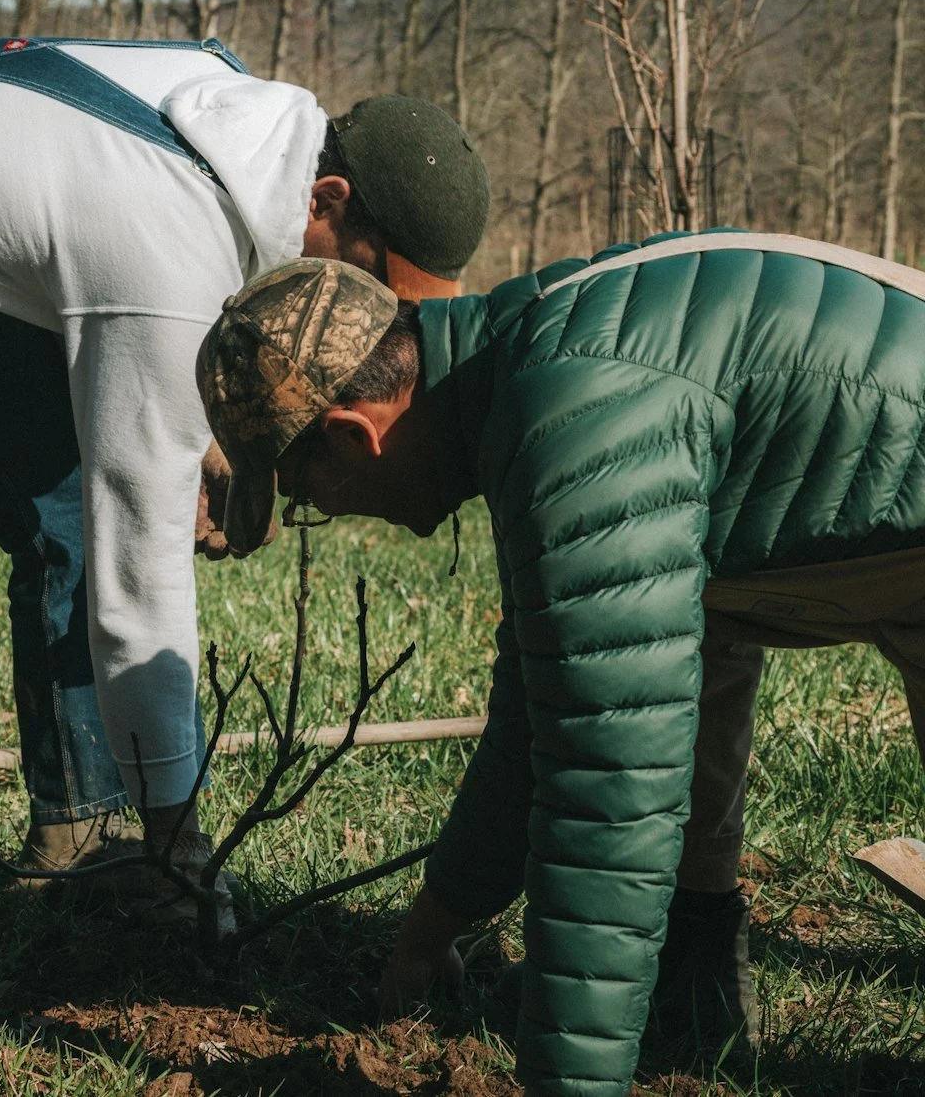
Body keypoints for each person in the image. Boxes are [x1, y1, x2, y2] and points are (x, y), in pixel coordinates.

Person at [0, 34, 490, 915]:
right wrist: (181, 843)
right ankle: (149, 855)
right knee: (117, 538)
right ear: (328, 198)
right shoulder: (167, 226)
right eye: (367, 287)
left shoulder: (242, 125)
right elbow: (144, 573)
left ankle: (84, 844)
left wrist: (220, 445)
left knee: (70, 520)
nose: (364, 332)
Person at [195, 235, 925, 1093]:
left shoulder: (573, 418)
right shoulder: (521, 366)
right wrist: (436, 926)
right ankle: (689, 977)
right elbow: (543, 722)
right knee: (681, 625)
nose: (336, 515)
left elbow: (608, 788)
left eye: (312, 501)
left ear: (356, 438)